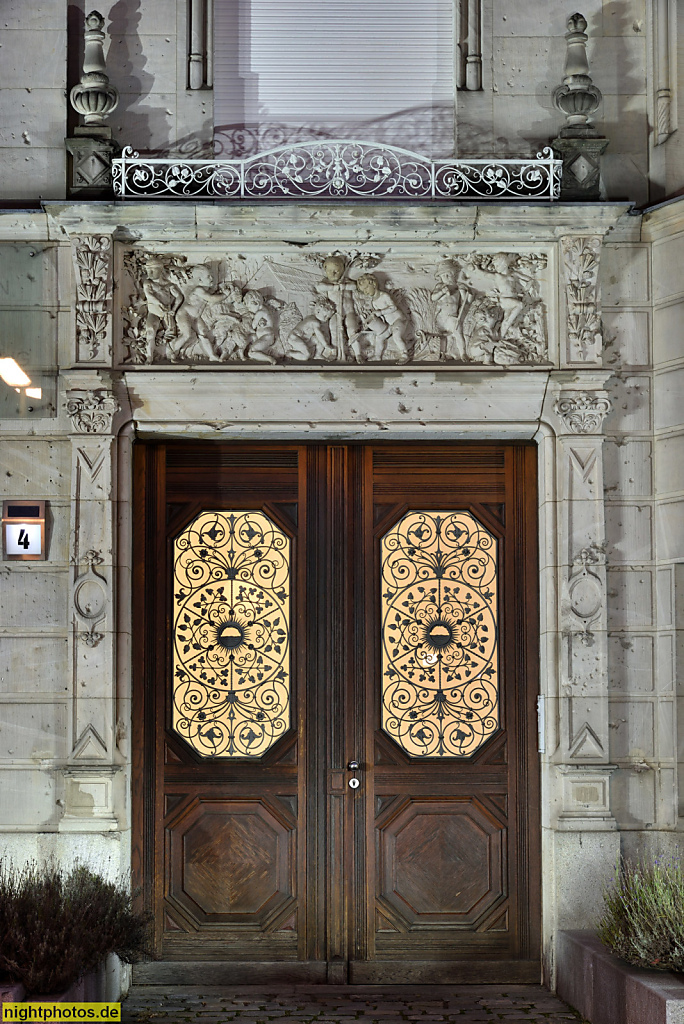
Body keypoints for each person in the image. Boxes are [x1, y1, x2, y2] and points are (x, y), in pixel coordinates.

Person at [355, 273, 408, 361]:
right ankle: (377, 356)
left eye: (366, 288)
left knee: (396, 336)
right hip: (389, 324)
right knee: (379, 337)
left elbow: (393, 307)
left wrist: (380, 312)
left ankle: (404, 354)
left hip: (399, 320)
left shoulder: (384, 296)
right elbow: (380, 316)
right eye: (363, 290)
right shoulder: (373, 301)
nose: (365, 292)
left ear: (374, 284)